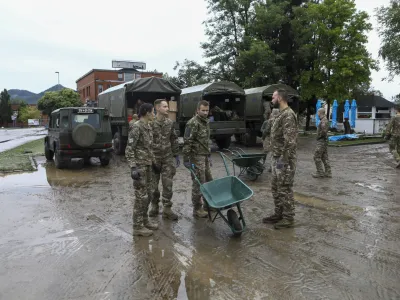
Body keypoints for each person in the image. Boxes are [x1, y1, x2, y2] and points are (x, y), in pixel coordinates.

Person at [263, 89, 298, 229]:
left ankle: (288, 218)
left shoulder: (288, 115)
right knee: (276, 187)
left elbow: (290, 142)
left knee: (284, 188)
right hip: (277, 157)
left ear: (280, 98)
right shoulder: (281, 115)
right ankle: (279, 214)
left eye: (273, 97)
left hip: (284, 160)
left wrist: (282, 163)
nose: (272, 99)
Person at [125, 103, 161, 237]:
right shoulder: (136, 127)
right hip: (140, 167)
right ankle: (137, 226)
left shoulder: (148, 127)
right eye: (153, 112)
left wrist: (155, 163)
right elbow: (129, 149)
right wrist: (133, 167)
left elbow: (148, 148)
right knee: (141, 197)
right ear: (146, 112)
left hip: (148, 165)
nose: (154, 114)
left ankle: (145, 221)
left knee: (150, 195)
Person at [149, 99, 180, 220]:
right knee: (153, 187)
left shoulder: (169, 123)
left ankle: (167, 208)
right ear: (157, 108)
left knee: (168, 184)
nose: (167, 108)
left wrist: (176, 154)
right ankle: (154, 206)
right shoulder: (150, 124)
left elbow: (173, 138)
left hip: (167, 158)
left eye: (167, 106)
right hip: (154, 160)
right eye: (165, 106)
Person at [183, 100, 213, 218]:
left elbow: (206, 140)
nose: (205, 113)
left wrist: (209, 154)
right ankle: (197, 208)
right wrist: (186, 159)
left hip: (204, 155)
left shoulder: (206, 122)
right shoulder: (192, 123)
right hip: (196, 156)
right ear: (197, 110)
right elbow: (187, 141)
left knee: (209, 180)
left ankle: (208, 204)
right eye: (203, 110)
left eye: (207, 110)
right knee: (199, 182)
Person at [312, 108, 332, 178]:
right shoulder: (325, 120)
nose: (317, 114)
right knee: (324, 157)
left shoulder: (323, 121)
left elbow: (324, 131)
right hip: (323, 141)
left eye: (318, 112)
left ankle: (320, 172)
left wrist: (319, 136)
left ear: (320, 113)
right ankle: (328, 172)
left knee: (316, 156)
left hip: (321, 141)